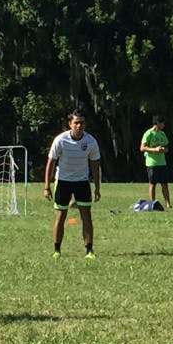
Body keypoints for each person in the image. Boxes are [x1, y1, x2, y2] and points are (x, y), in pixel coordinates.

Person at [44, 110, 101, 259]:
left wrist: (97, 188)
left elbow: (95, 165)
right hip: (63, 181)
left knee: (86, 216)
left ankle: (89, 250)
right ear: (70, 124)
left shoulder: (91, 141)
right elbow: (51, 162)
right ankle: (57, 250)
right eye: (76, 122)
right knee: (61, 216)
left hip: (82, 182)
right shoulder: (60, 140)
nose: (79, 125)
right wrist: (47, 186)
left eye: (81, 122)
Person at [140, 115, 171, 209]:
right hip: (152, 163)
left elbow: (167, 148)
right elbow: (142, 148)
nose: (164, 125)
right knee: (153, 184)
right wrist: (155, 149)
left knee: (164, 184)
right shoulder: (148, 133)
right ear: (157, 123)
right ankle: (152, 203)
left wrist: (163, 150)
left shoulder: (162, 134)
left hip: (162, 163)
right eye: (162, 123)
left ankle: (168, 203)